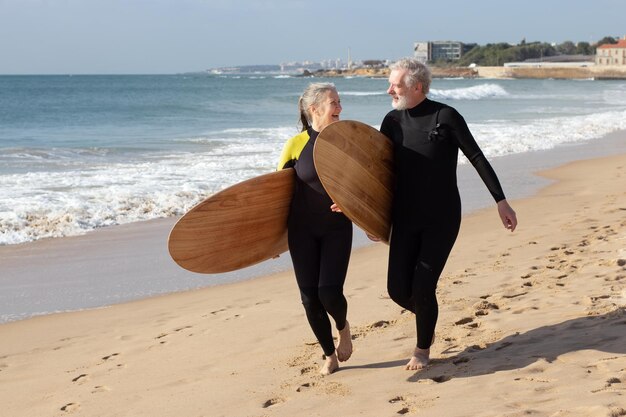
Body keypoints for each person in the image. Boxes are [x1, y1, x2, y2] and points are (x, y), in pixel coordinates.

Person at [378, 58, 518, 371]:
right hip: (404, 217)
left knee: (423, 287)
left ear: (416, 87)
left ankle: (422, 349)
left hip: (441, 217)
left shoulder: (446, 116)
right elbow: (380, 174)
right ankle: (428, 316)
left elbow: (477, 157)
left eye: (395, 85)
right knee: (397, 290)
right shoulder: (391, 121)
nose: (389, 90)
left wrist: (501, 201)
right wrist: (369, 216)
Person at [277, 82, 353, 375]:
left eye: (339, 102)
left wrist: (354, 206)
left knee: (329, 293)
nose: (339, 108)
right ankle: (328, 354)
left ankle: (343, 327)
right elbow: (275, 193)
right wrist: (270, 240)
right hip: (301, 231)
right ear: (315, 109)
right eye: (334, 103)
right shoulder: (295, 145)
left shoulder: (347, 139)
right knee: (309, 298)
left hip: (336, 227)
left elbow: (364, 182)